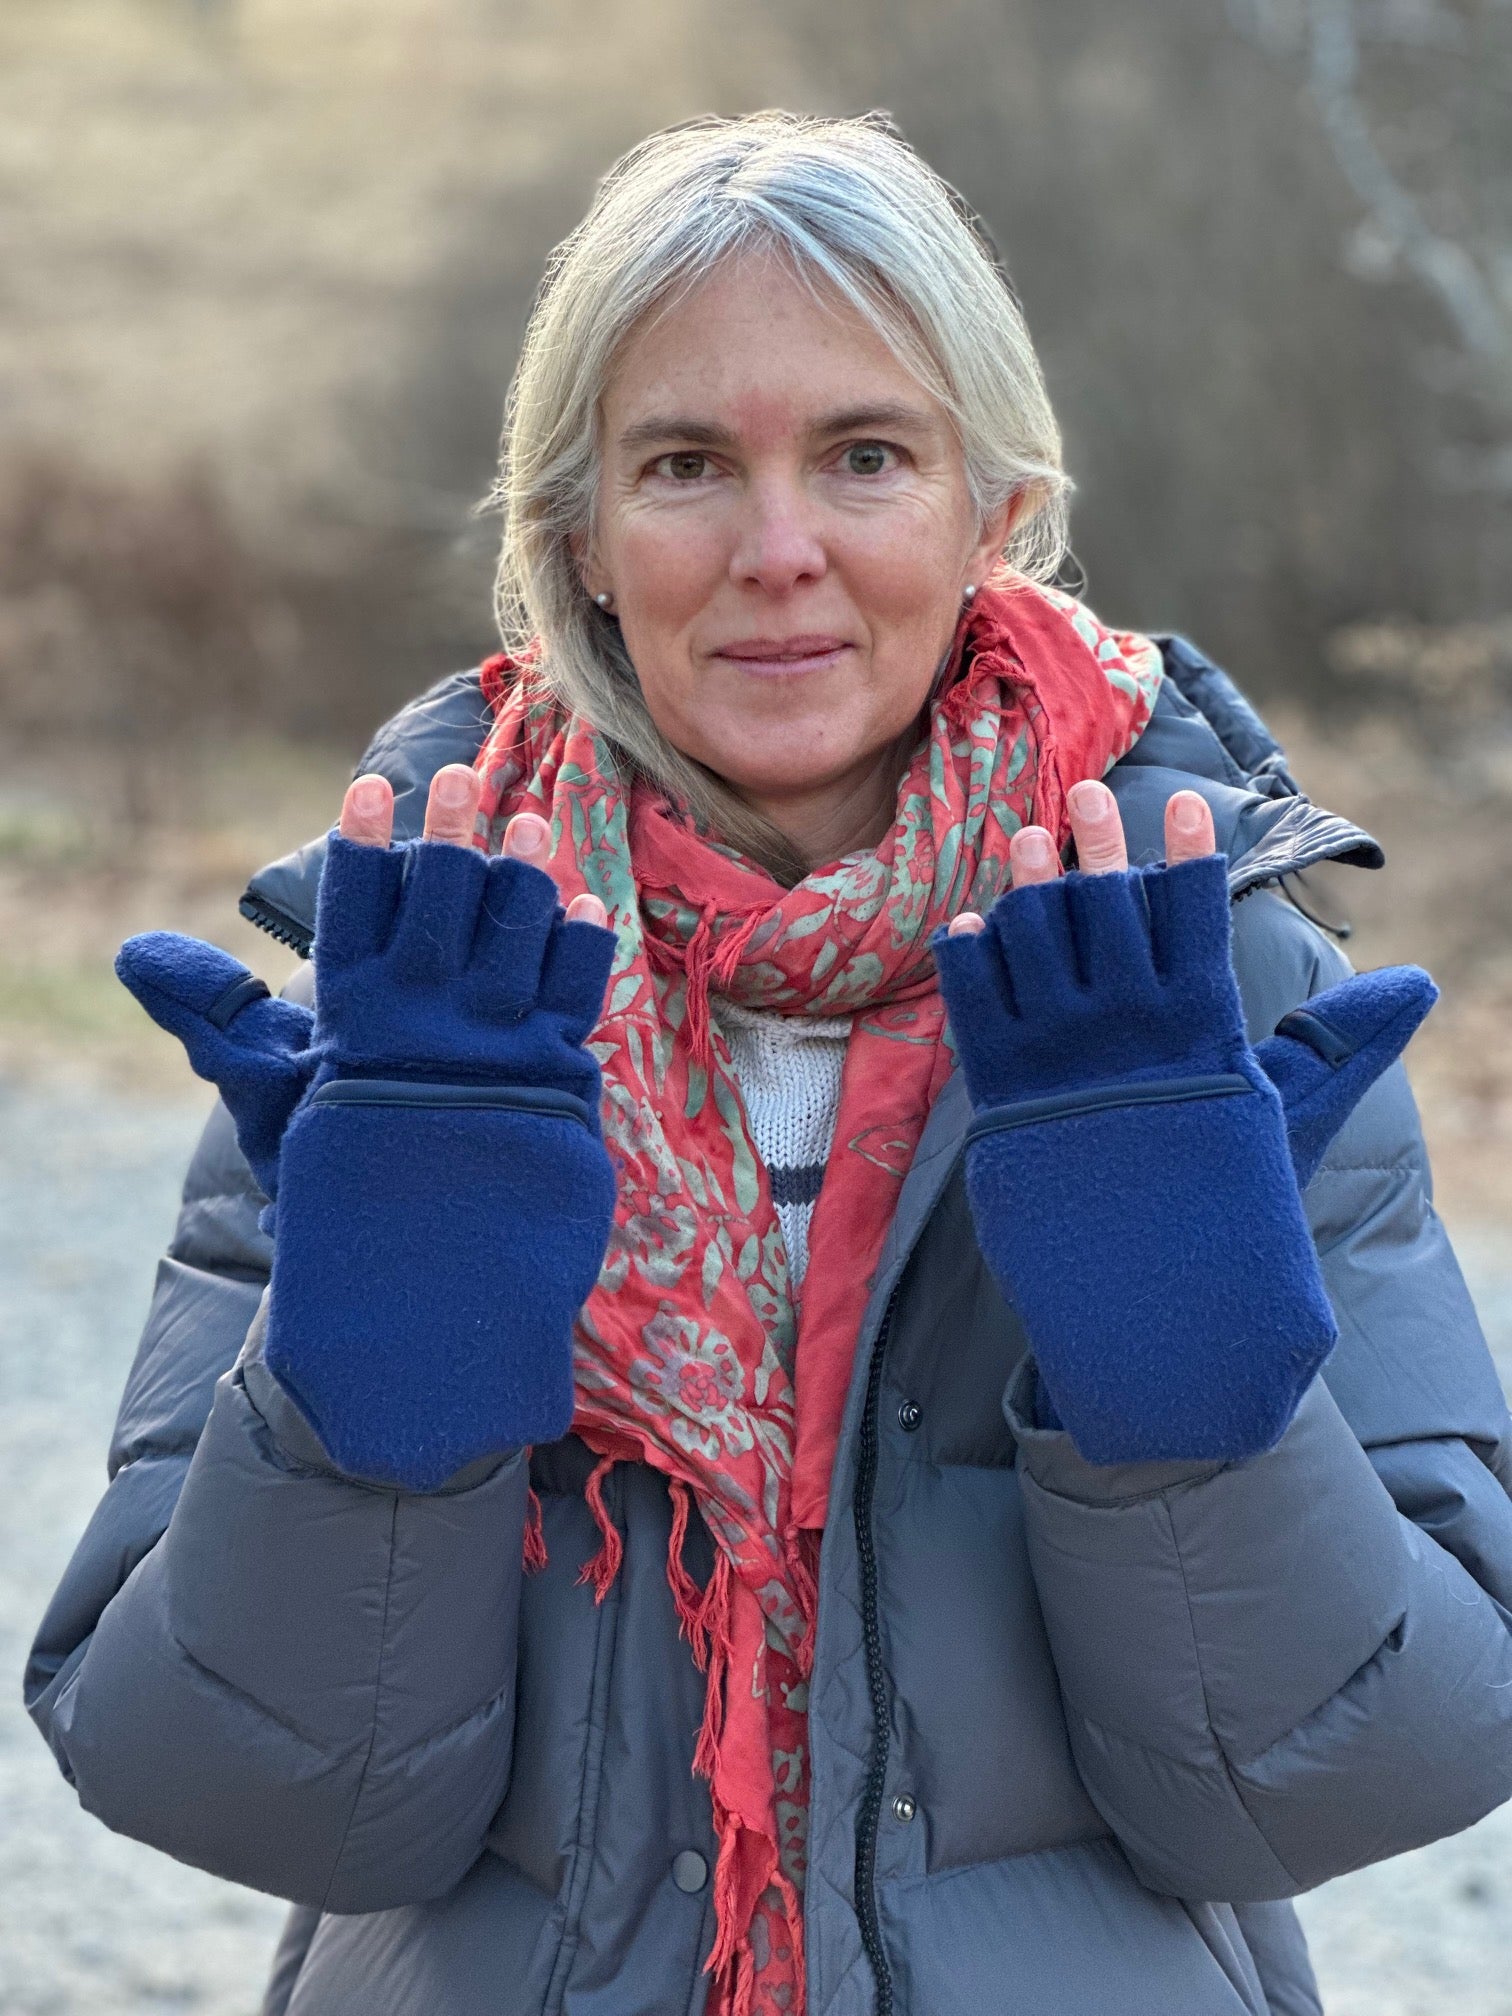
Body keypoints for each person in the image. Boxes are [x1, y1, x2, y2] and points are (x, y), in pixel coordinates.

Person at [26, 111, 1512, 2016]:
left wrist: (1180, 1358)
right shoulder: (419, 998)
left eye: (866, 456)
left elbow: (1365, 1771)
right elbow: (253, 1794)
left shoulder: (1197, 977)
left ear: (995, 511)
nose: (777, 550)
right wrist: (383, 1367)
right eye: (685, 465)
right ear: (578, 533)